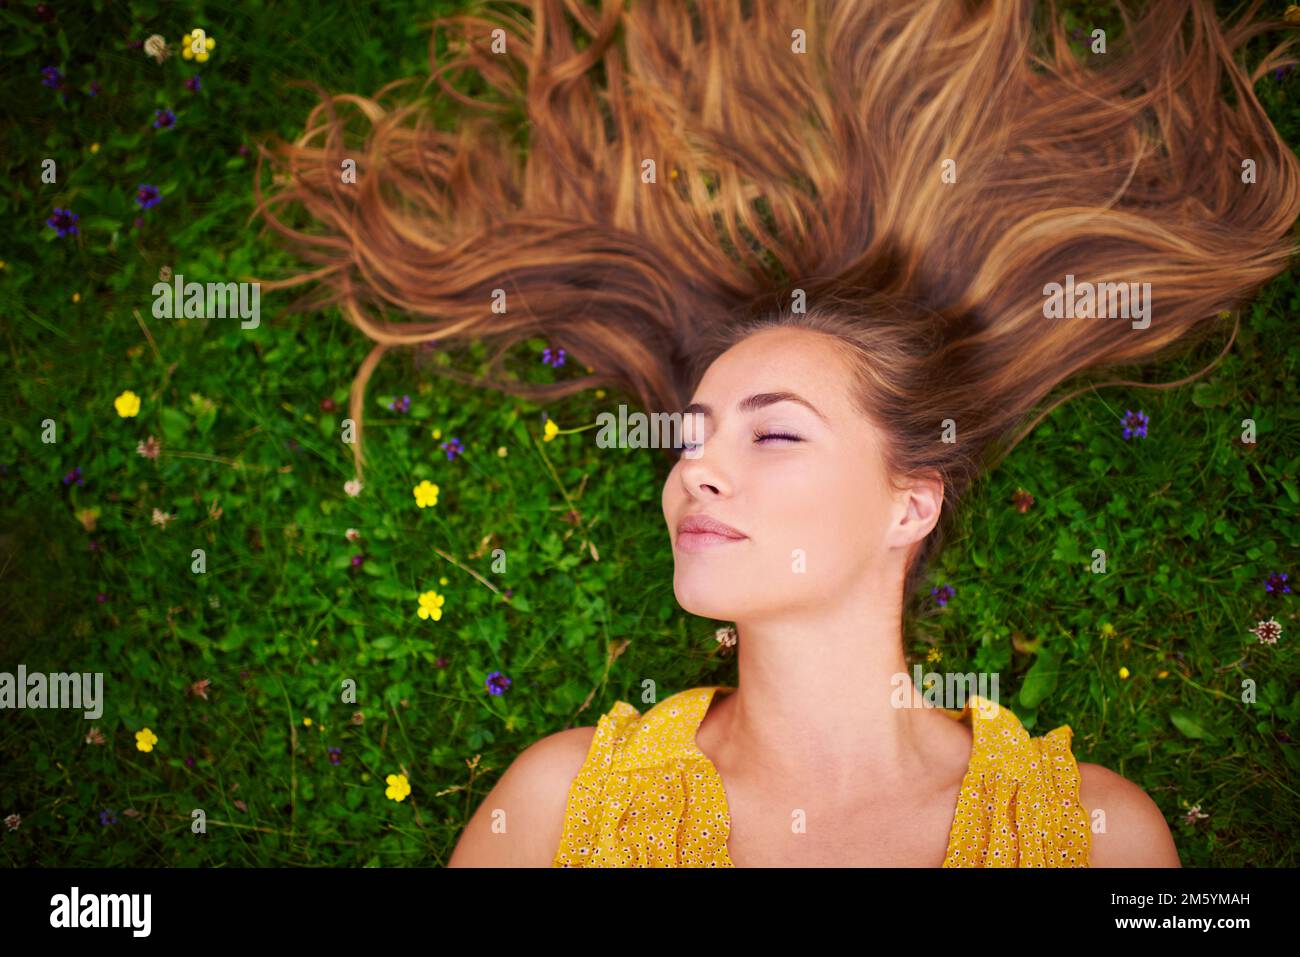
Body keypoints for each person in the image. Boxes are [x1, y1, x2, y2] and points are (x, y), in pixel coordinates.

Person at [254, 0, 1300, 866]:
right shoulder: (556, 807)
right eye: (693, 436)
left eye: (776, 436)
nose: (694, 471)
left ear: (910, 501)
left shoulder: (1094, 836)